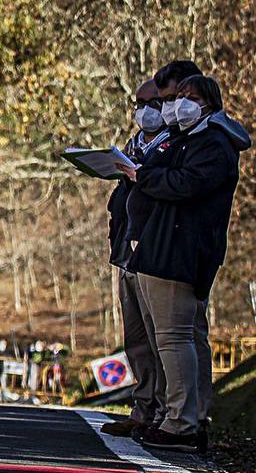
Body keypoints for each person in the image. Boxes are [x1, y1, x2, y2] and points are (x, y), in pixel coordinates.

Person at [118, 75, 249, 453]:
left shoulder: (213, 145)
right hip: (160, 250)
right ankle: (172, 416)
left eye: (187, 98)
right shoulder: (188, 141)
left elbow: (182, 184)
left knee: (176, 339)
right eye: (177, 98)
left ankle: (182, 423)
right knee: (165, 339)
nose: (179, 105)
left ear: (208, 103)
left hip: (181, 252)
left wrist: (144, 175)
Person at [100, 78, 171, 439]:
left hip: (152, 252)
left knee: (162, 338)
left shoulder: (171, 145)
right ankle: (142, 409)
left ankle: (164, 411)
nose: (144, 110)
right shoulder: (134, 144)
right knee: (137, 339)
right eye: (138, 103)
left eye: (153, 102)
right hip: (125, 248)